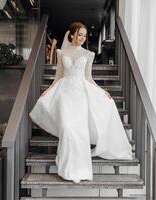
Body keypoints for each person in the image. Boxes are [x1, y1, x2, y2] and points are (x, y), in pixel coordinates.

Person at [29, 22, 132, 183]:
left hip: (80, 95)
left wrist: (104, 92)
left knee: (80, 132)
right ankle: (66, 168)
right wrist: (47, 92)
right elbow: (58, 76)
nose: (82, 38)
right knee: (67, 129)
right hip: (65, 93)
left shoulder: (88, 54)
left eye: (84, 35)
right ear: (71, 35)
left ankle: (81, 170)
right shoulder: (61, 52)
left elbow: (89, 78)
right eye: (79, 35)